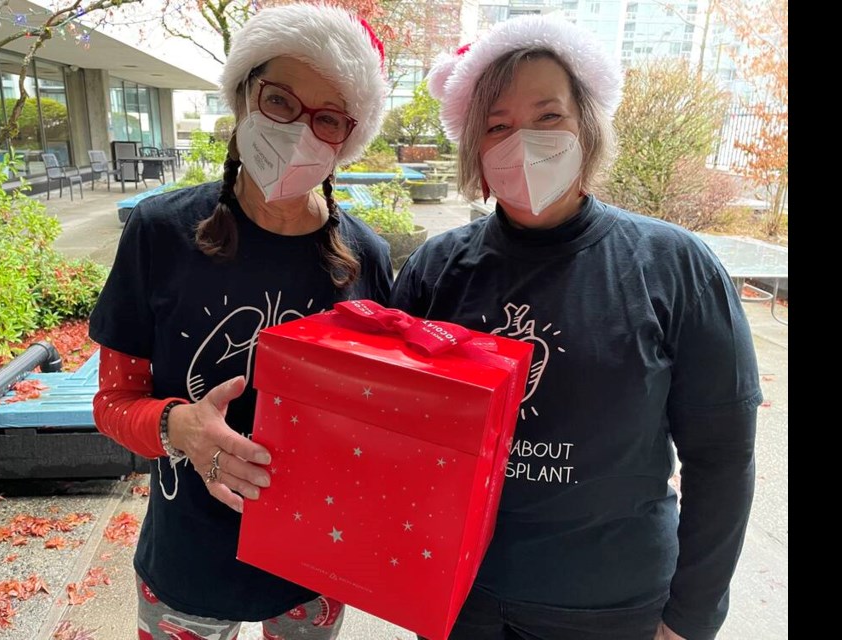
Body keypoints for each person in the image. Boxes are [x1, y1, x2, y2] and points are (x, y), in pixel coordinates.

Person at [390, 15, 761, 640]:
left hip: (613, 607)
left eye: (549, 116)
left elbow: (723, 455)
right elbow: (393, 427)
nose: (522, 141)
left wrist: (691, 617)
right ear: (474, 149)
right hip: (461, 597)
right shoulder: (438, 269)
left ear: (587, 125)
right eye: (497, 126)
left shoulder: (674, 266)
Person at [87, 5, 392, 639]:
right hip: (187, 567)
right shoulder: (159, 234)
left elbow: (383, 423)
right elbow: (113, 403)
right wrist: (178, 427)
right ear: (244, 98)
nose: (298, 131)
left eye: (327, 119)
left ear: (347, 138)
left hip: (316, 570)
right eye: (279, 100)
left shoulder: (367, 261)